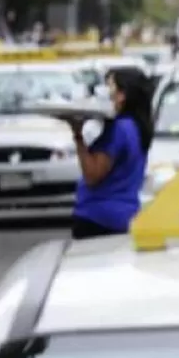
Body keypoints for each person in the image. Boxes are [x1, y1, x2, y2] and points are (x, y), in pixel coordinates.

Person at [64, 66, 154, 240]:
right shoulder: (137, 127)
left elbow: (93, 174)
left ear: (122, 95)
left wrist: (78, 135)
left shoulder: (118, 129)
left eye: (109, 87)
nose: (103, 92)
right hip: (126, 215)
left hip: (98, 218)